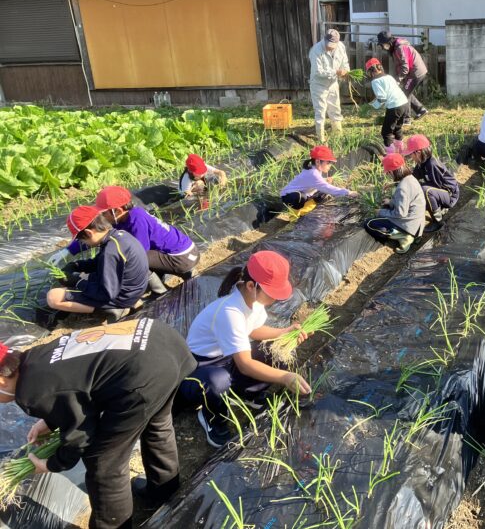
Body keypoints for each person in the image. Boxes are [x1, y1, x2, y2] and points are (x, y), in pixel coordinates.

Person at [0, 319, 196, 528]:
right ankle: (164, 492)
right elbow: (73, 390)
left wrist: (52, 464)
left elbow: (80, 436)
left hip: (144, 374)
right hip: (161, 341)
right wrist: (51, 420)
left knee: (104, 463)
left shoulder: (29, 392)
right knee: (157, 424)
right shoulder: (33, 357)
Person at [177, 251, 312, 448]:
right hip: (199, 368)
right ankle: (211, 417)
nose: (276, 300)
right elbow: (246, 365)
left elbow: (254, 329)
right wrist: (285, 377)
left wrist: (284, 333)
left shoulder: (253, 301)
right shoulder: (229, 312)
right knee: (218, 381)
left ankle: (249, 394)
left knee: (275, 349)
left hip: (227, 357)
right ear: (251, 286)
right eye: (273, 294)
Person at [49, 186, 199, 296]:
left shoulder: (136, 219)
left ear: (117, 211)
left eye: (103, 212)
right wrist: (68, 250)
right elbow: (92, 233)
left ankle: (160, 291)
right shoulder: (120, 218)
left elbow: (139, 254)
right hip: (173, 253)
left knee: (132, 258)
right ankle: (158, 282)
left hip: (183, 257)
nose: (101, 216)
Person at [46, 206, 150, 323]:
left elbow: (105, 293)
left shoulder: (111, 252)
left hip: (122, 297)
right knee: (82, 277)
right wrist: (76, 265)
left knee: (53, 297)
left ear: (88, 233)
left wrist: (77, 282)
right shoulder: (117, 236)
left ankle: (112, 309)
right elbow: (99, 262)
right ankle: (119, 304)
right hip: (132, 289)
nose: (82, 243)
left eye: (81, 240)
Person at [363, 153, 425, 253]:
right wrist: (391, 202)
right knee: (386, 211)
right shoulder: (411, 179)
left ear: (392, 171)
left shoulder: (402, 188)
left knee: (369, 224)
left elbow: (401, 213)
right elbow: (406, 202)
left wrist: (380, 212)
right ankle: (409, 235)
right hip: (417, 224)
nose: (388, 175)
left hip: (409, 225)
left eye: (388, 173)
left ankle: (404, 237)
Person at [404, 133, 460, 233]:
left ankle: (437, 221)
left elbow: (439, 186)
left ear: (419, 152)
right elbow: (413, 178)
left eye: (411, 154)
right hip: (440, 192)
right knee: (419, 188)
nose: (410, 156)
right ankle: (434, 208)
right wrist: (398, 184)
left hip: (450, 194)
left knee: (425, 190)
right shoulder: (421, 163)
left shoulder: (432, 164)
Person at [280, 146, 359, 210]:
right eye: (328, 163)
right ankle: (297, 210)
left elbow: (315, 183)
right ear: (318, 162)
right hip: (289, 197)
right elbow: (327, 188)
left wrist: (325, 180)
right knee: (301, 197)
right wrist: (348, 192)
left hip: (304, 193)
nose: (330, 165)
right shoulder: (313, 173)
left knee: (323, 192)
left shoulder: (315, 170)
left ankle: (308, 207)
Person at [308, 29, 350, 143]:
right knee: (320, 110)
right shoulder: (316, 50)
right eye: (328, 45)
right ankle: (321, 138)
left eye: (332, 45)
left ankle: (338, 134)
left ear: (337, 42)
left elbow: (344, 62)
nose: (329, 47)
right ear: (324, 40)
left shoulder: (341, 47)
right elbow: (318, 72)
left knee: (335, 108)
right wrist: (336, 72)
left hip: (333, 83)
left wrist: (346, 71)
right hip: (318, 84)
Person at [377, 31, 429, 119]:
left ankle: (406, 118)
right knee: (406, 91)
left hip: (415, 73)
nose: (383, 47)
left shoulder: (400, 48)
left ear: (388, 42)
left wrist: (398, 80)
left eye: (383, 45)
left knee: (404, 94)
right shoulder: (394, 48)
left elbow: (405, 68)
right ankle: (421, 110)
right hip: (413, 72)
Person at [365, 57, 411, 148]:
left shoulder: (375, 81)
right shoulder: (389, 77)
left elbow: (382, 98)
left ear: (371, 72)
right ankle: (400, 150)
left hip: (395, 106)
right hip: (404, 103)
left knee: (386, 132)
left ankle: (391, 155)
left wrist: (373, 106)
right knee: (397, 128)